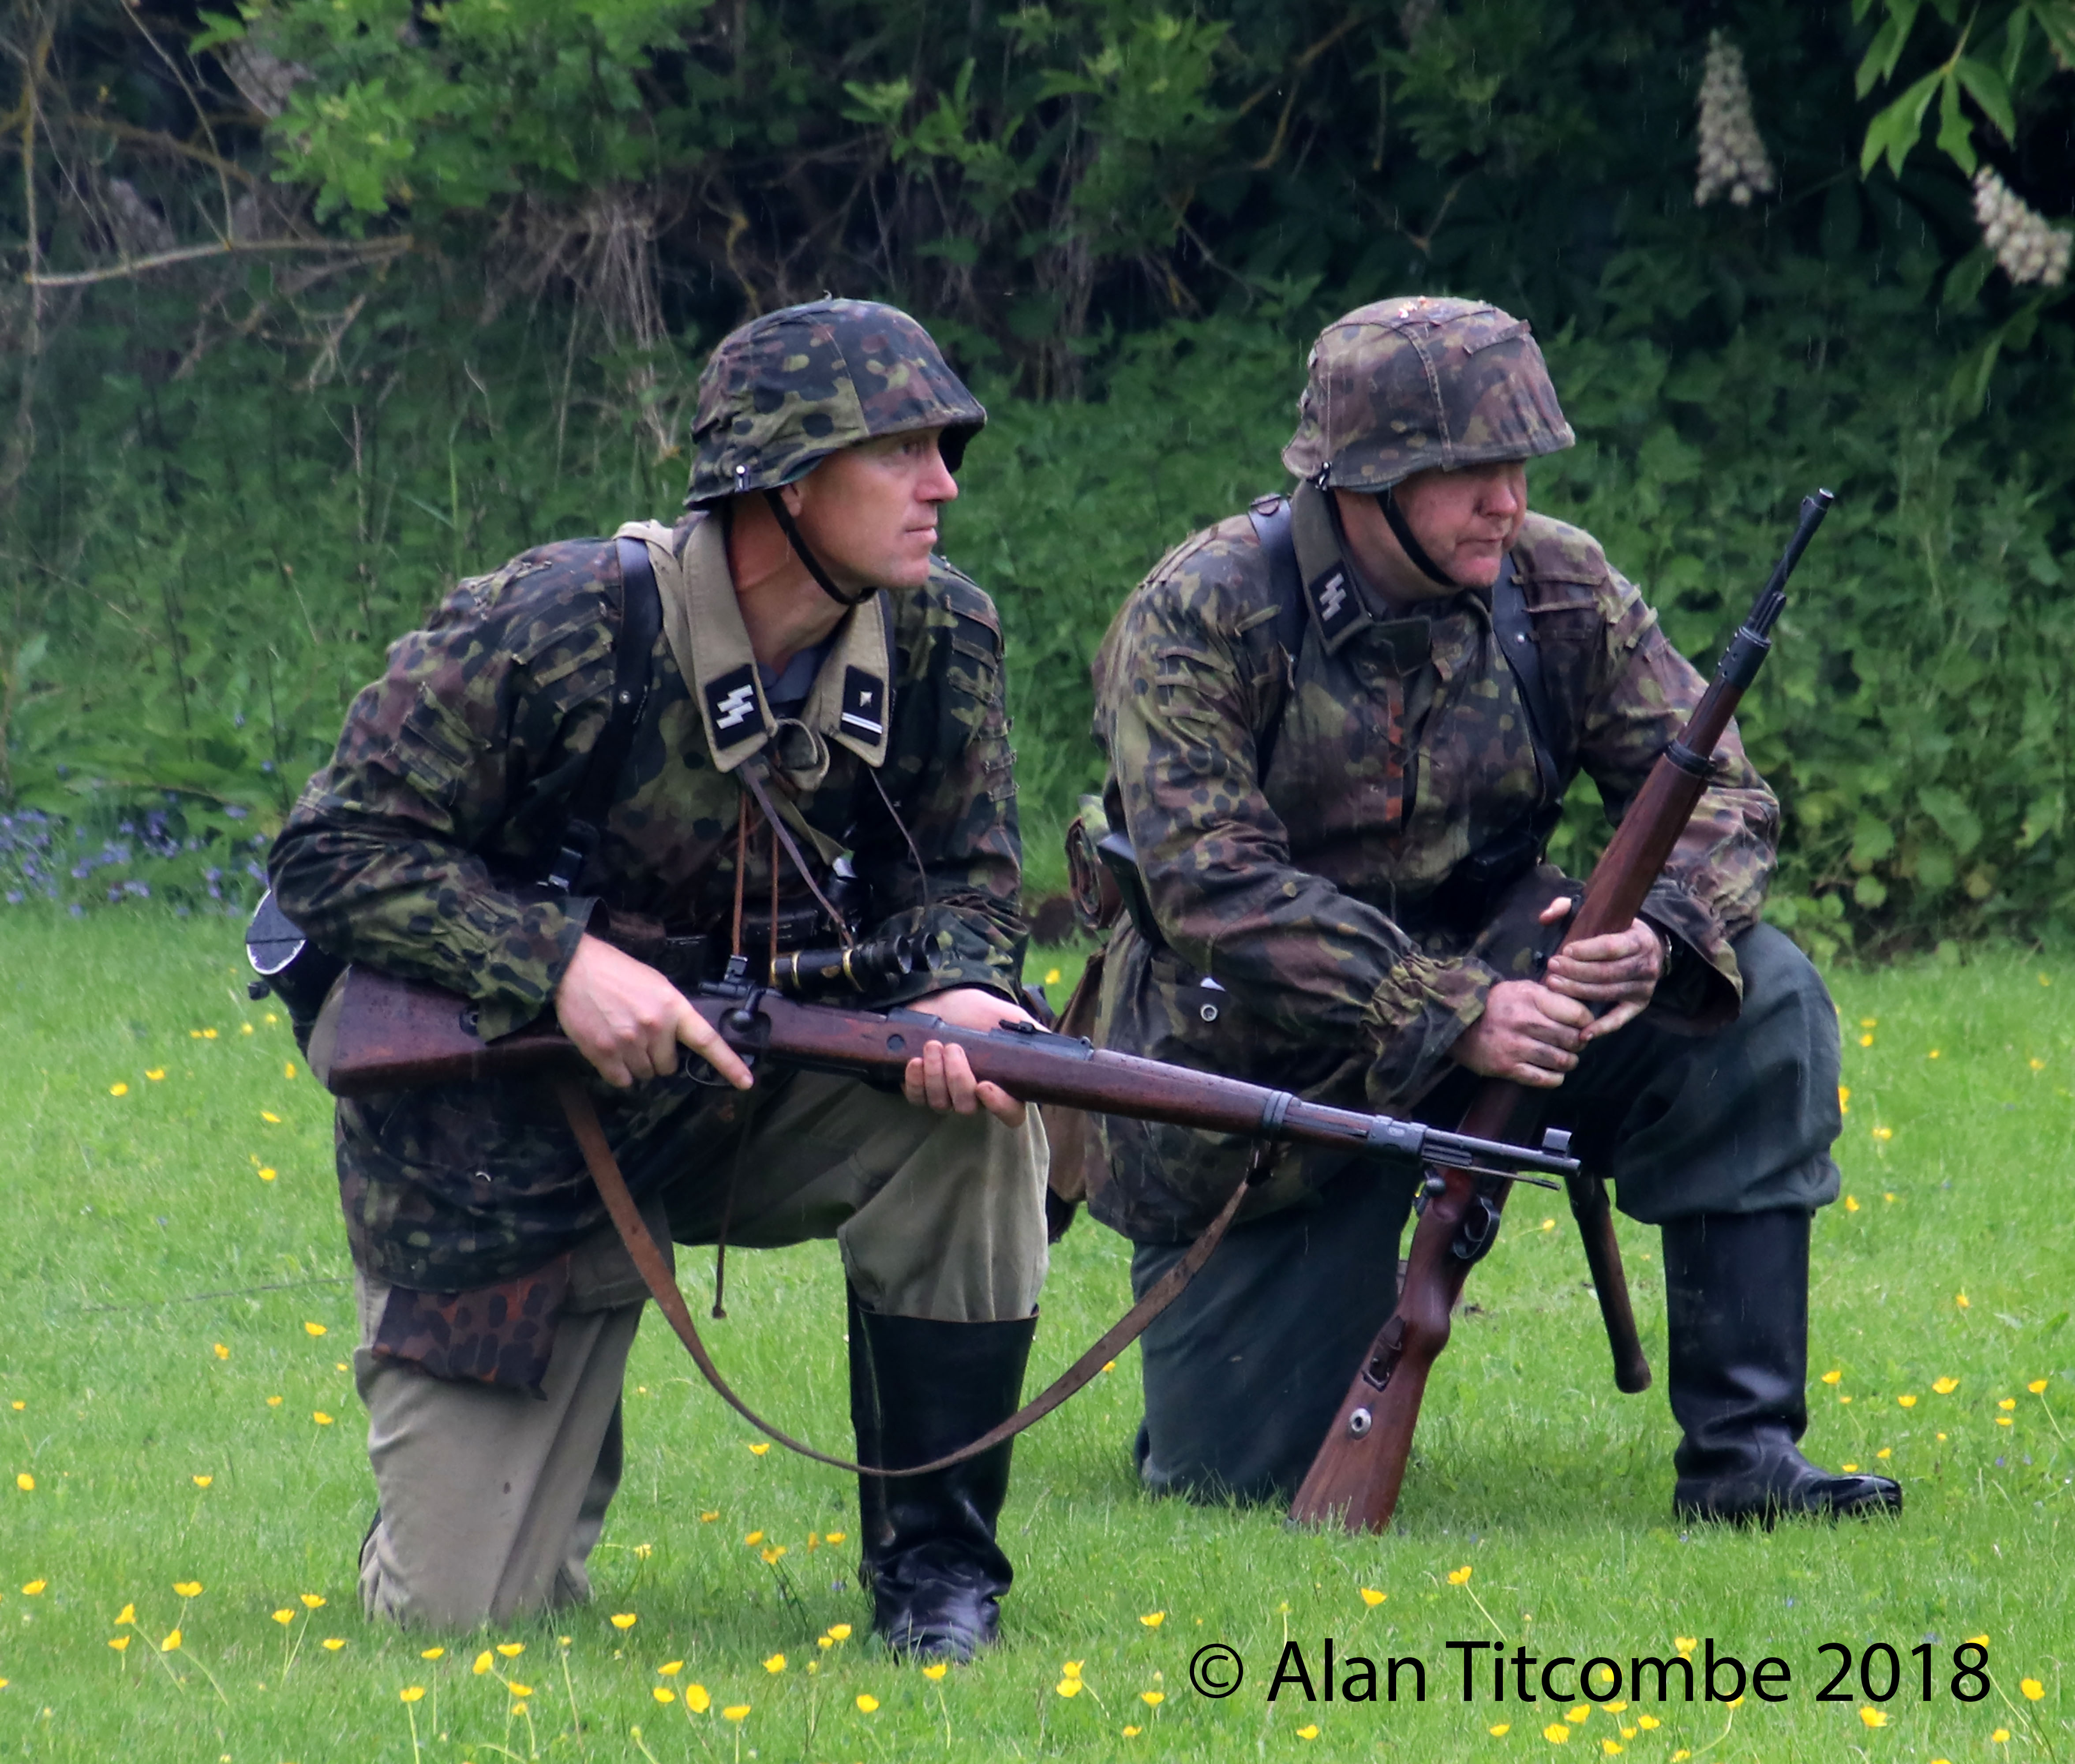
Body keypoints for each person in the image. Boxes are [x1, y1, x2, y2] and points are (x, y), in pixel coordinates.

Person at [269, 299, 1051, 1656]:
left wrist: (962, 986)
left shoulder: (938, 638)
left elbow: (966, 878)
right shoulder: (560, 624)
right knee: (458, 1620)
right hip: (504, 1140)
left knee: (980, 1109)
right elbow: (327, 855)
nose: (943, 485)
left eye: (947, 449)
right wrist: (561, 965)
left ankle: (940, 1579)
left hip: (752, 1088)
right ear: (785, 481)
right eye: (901, 451)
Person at [1083, 295, 1899, 1527]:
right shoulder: (1204, 611)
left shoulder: (1559, 585)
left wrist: (1659, 934)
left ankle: (1747, 1456)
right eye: (1469, 473)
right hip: (1280, 1067)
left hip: (1523, 1002)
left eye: (1519, 467)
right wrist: (1451, 1009)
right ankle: (1232, 1358)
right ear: (1363, 480)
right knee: (1231, 1484)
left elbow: (1723, 794)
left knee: (1762, 996)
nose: (1507, 503)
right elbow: (1213, 887)